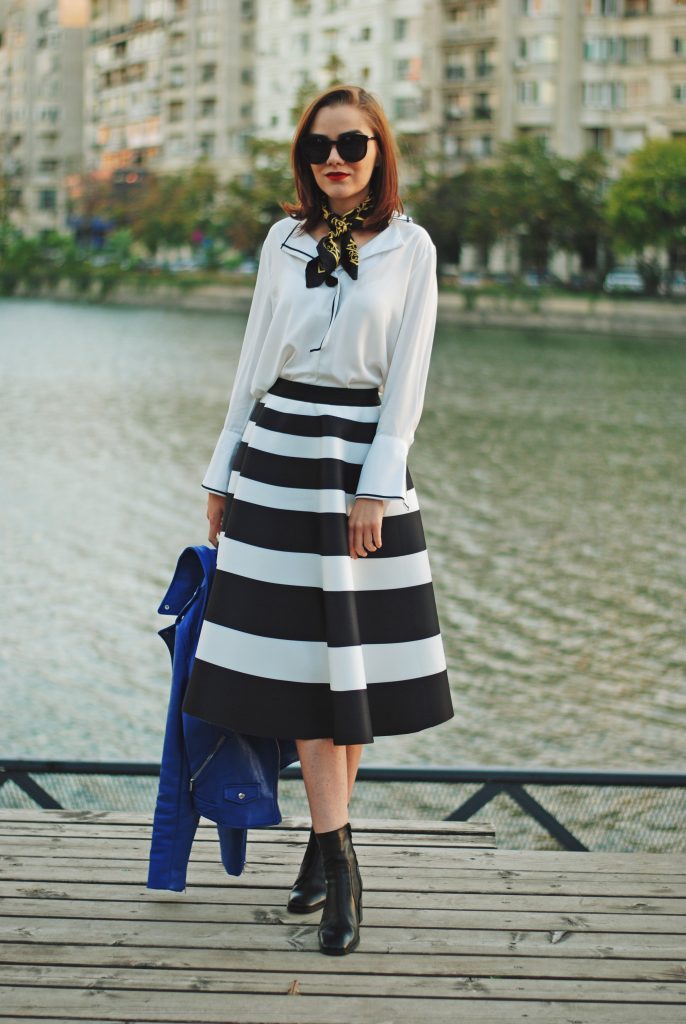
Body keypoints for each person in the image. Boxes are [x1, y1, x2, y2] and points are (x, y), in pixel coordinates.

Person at [181, 84, 455, 956]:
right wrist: (221, 471)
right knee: (306, 667)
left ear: (379, 152)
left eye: (352, 144)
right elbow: (252, 358)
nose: (333, 159)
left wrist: (377, 486)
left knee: (354, 667)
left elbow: (407, 379)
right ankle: (340, 863)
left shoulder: (412, 248)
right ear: (303, 157)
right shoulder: (283, 240)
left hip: (359, 463)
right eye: (317, 146)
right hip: (276, 458)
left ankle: (321, 846)